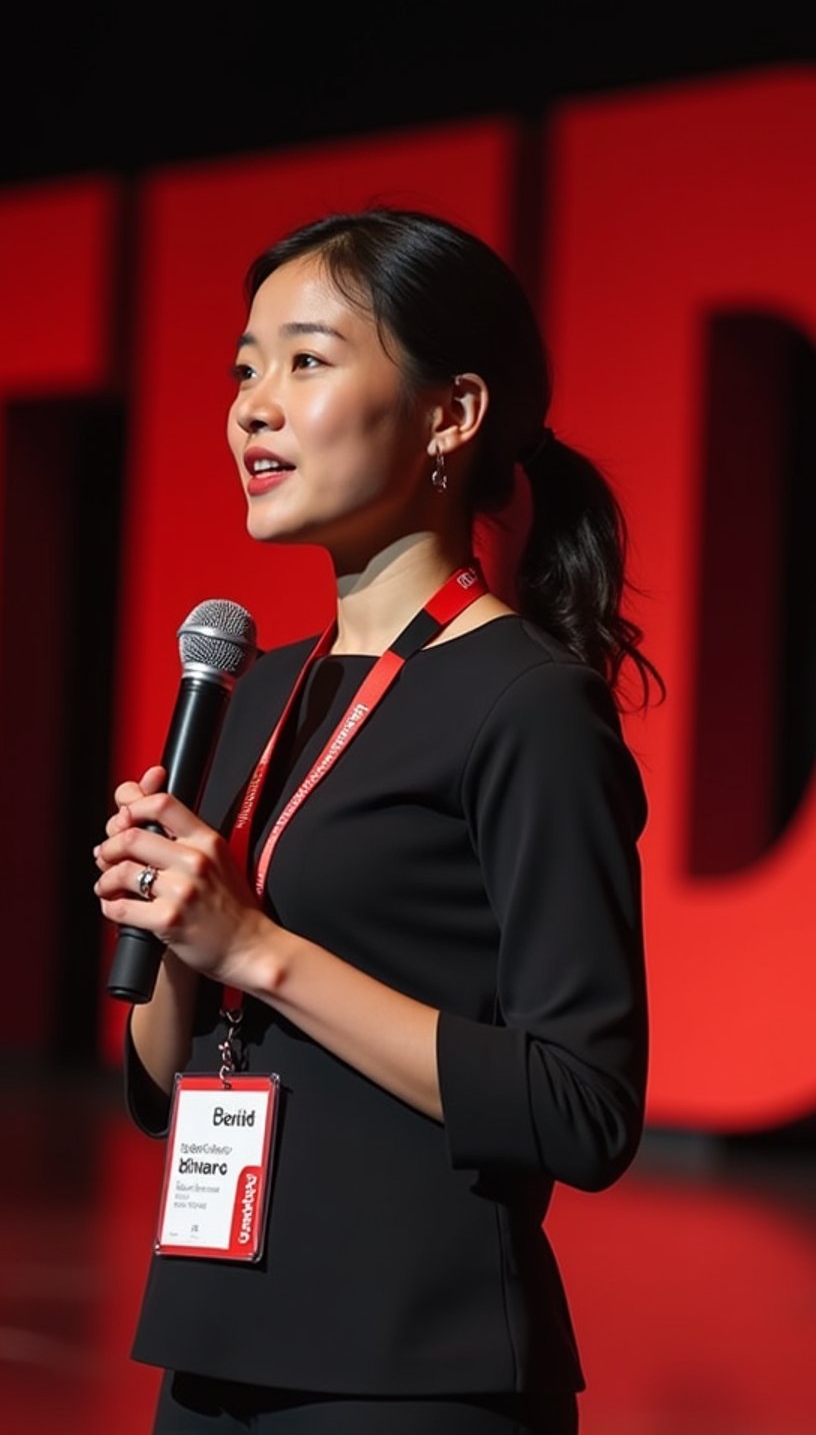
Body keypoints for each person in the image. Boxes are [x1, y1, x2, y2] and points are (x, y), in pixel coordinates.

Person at [93, 207, 657, 1434]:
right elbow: (158, 1080)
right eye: (243, 369)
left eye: (305, 360)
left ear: (450, 414)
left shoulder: (527, 706)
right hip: (210, 1352)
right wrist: (174, 934)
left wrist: (257, 948)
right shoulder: (249, 694)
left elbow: (582, 1105)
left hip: (411, 1371)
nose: (252, 407)